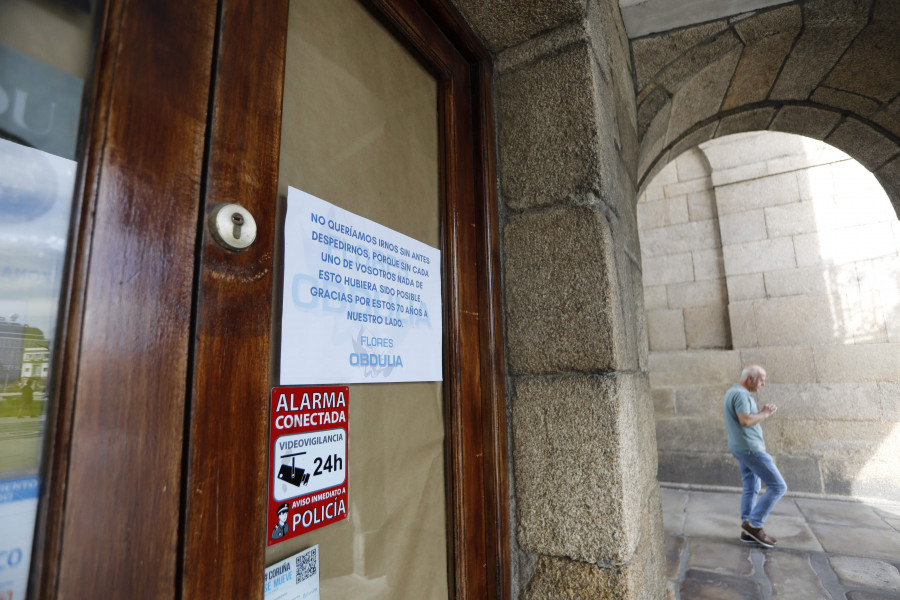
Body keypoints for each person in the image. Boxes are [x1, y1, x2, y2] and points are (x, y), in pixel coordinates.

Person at [723, 365, 787, 548]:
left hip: (740, 448)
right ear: (749, 379)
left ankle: (747, 531)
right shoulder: (742, 395)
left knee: (751, 486)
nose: (763, 384)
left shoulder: (732, 392)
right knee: (778, 486)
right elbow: (745, 420)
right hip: (751, 450)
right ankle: (754, 524)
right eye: (761, 380)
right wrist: (765, 413)